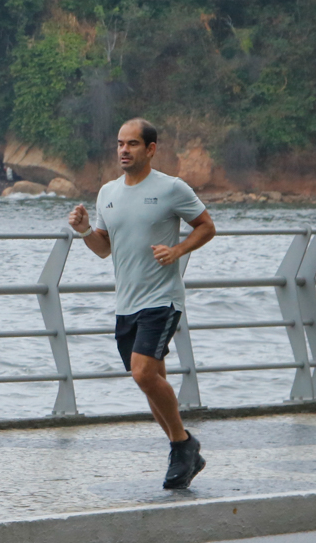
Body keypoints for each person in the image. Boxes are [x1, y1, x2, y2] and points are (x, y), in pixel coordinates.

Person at [67, 118, 217, 490]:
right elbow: (104, 249)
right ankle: (182, 453)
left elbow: (206, 226)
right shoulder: (107, 193)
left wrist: (178, 249)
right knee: (151, 382)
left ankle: (183, 444)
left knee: (143, 374)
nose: (123, 150)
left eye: (132, 144)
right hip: (126, 303)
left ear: (150, 149)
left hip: (161, 299)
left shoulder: (171, 188)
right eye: (120, 143)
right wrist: (85, 230)